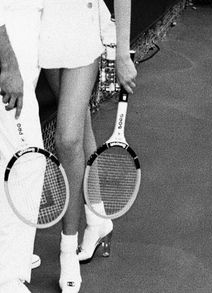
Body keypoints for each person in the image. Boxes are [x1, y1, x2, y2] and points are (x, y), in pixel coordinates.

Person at [39, 0, 137, 292]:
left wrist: (122, 53)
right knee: (81, 130)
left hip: (83, 28)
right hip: (43, 31)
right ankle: (98, 218)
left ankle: (67, 250)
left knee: (67, 139)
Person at [0, 1, 45, 292]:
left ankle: (10, 259)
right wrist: (8, 63)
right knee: (28, 162)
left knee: (10, 159)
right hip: (9, 54)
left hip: (23, 50)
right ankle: (8, 277)